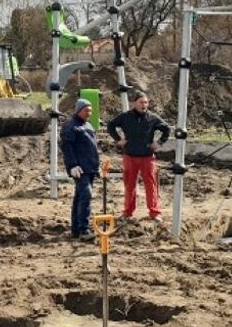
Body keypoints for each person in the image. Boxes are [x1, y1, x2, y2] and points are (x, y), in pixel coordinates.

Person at [106, 91, 170, 223]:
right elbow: (110, 125)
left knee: (151, 185)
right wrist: (118, 139)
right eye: (141, 102)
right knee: (129, 185)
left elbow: (166, 129)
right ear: (134, 103)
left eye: (146, 102)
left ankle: (154, 212)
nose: (144, 105)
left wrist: (159, 143)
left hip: (147, 157)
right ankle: (128, 212)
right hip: (130, 156)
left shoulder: (152, 118)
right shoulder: (125, 117)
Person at [62, 98, 100, 241]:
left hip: (90, 168)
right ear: (78, 110)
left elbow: (93, 148)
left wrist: (96, 167)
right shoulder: (70, 126)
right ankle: (84, 230)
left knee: (79, 197)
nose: (89, 113)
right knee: (86, 195)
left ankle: (76, 230)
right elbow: (67, 147)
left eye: (90, 110)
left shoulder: (89, 126)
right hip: (79, 168)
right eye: (86, 110)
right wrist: (72, 165)